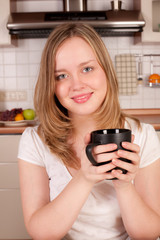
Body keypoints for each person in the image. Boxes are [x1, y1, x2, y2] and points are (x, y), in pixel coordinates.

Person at [18, 23, 160, 240]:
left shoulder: (143, 135)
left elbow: (148, 233)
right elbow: (41, 233)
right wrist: (84, 178)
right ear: (51, 85)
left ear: (106, 70)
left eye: (87, 69)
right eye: (61, 76)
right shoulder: (35, 141)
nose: (77, 85)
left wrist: (124, 186)